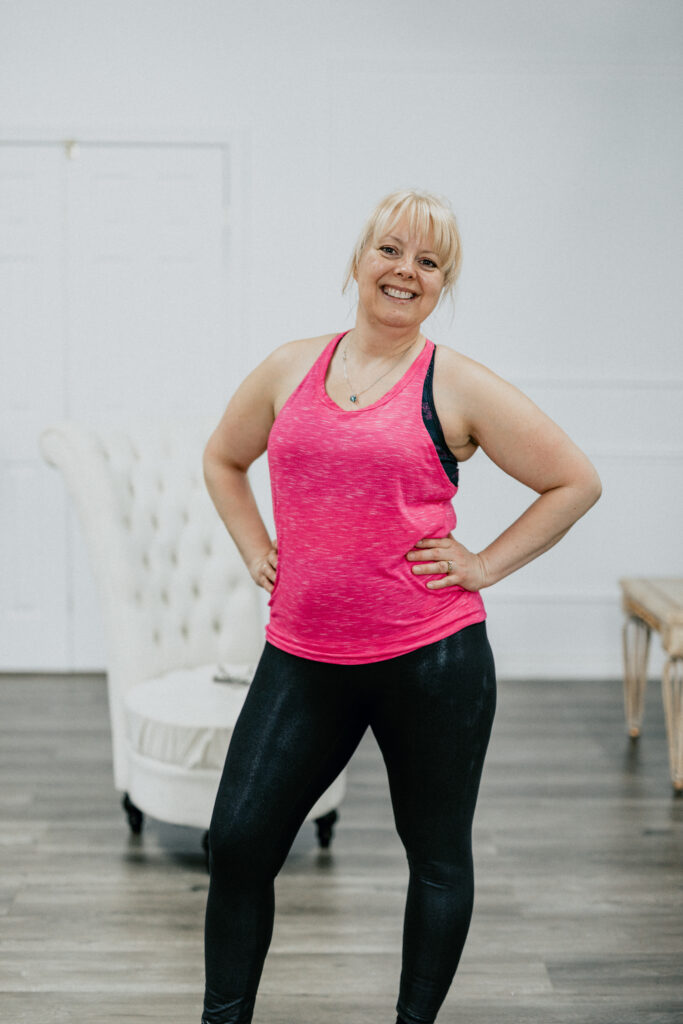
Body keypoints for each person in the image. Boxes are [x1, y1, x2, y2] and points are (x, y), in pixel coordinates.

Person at [200, 188, 602, 1024]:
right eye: (390, 250)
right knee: (237, 845)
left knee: (436, 859)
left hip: (432, 658)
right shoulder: (289, 367)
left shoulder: (455, 383)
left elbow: (574, 481)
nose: (404, 271)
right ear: (358, 261)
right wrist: (253, 547)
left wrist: (484, 563)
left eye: (428, 262)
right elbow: (222, 459)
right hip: (304, 655)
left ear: (440, 284)